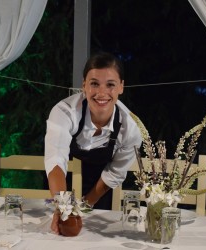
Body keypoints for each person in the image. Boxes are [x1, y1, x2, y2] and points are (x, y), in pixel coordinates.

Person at [44, 51, 142, 234]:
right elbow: (56, 158)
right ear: (84, 85)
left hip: (99, 184)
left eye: (110, 85)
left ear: (121, 87)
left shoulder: (131, 128)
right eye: (94, 84)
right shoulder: (65, 112)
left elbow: (114, 173)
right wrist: (63, 207)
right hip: (60, 182)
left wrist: (84, 206)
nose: (101, 93)